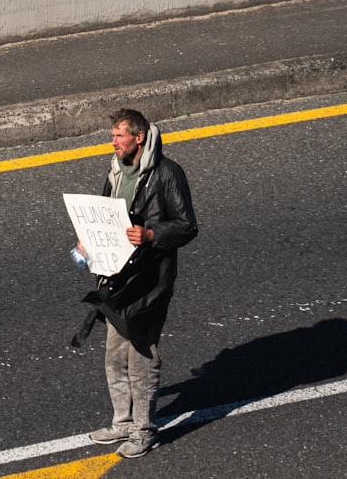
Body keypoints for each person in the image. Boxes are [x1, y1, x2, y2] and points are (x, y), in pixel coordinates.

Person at [75, 108, 198, 459]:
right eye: (112, 135)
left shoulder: (167, 173)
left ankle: (144, 430)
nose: (112, 142)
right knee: (115, 354)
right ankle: (123, 422)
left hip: (149, 280)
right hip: (118, 277)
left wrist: (152, 233)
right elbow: (104, 217)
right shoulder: (117, 172)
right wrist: (88, 242)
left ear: (139, 137)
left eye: (119, 136)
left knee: (141, 353)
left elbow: (187, 226)